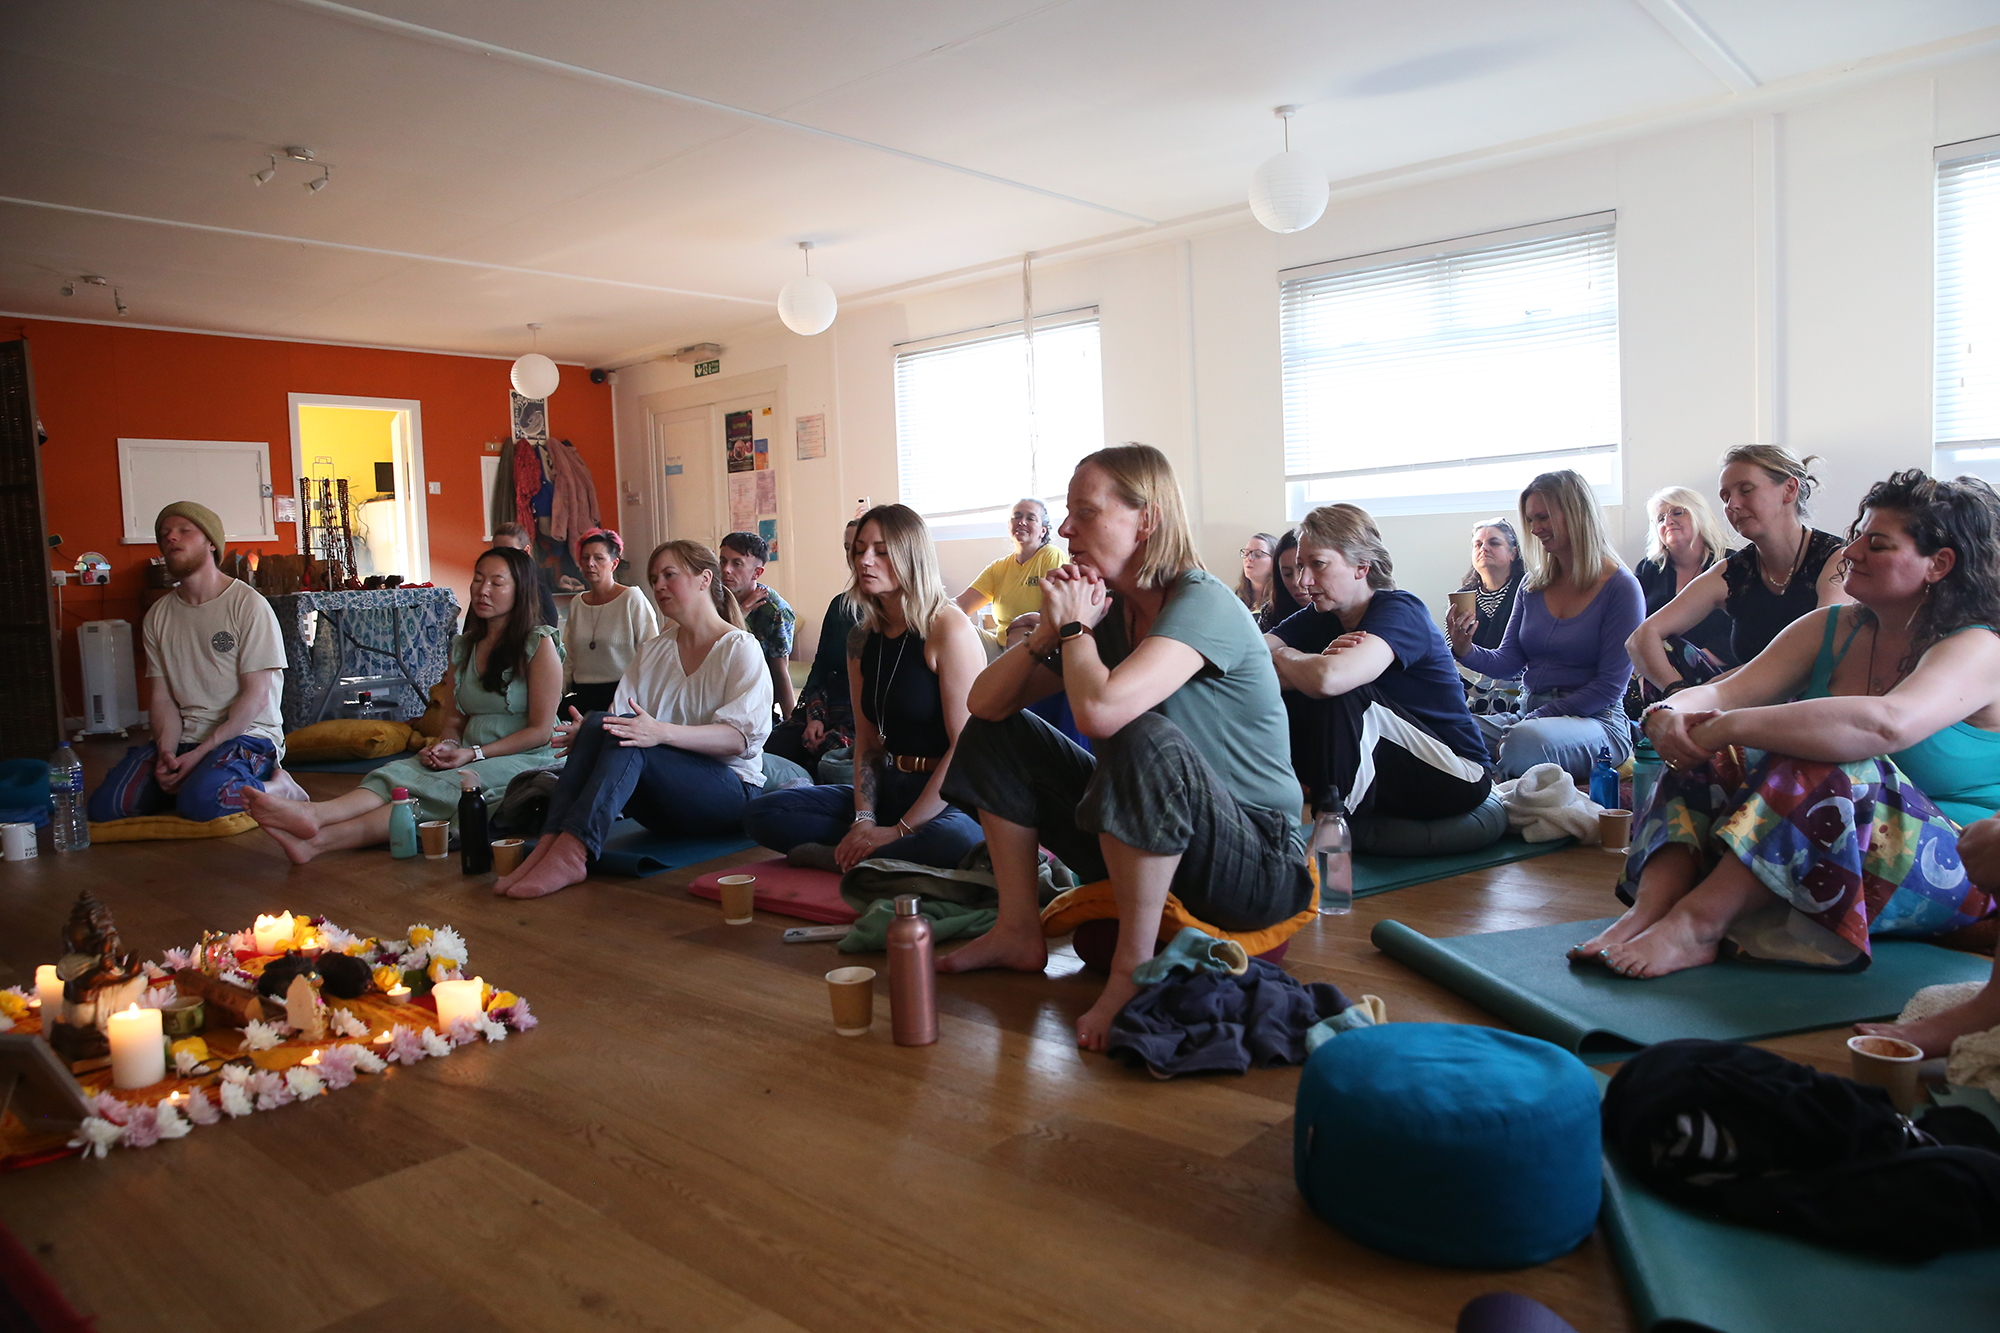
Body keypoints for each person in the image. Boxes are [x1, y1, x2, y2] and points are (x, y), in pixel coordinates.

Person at [937, 444, 1312, 1052]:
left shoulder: (1204, 602)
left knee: (1138, 731)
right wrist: (1046, 635)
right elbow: (983, 704)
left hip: (1259, 861)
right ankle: (1016, 929)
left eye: (1085, 512)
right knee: (995, 731)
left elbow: (1103, 713)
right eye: (1067, 513)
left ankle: (1133, 974)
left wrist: (1075, 629)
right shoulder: (1110, 613)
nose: (1064, 530)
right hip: (1168, 836)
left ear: (1147, 519)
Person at [1572, 471, 2000, 979]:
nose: (1852, 550)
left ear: (1940, 564)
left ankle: (1697, 925)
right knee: (1710, 748)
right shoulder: (1832, 628)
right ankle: (1647, 912)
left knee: (1831, 756)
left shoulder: (1978, 647)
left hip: (1962, 864)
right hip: (1839, 847)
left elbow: (1885, 726)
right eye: (1857, 533)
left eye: (1877, 544)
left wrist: (1726, 727)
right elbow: (1723, 693)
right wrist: (1672, 715)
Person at [246, 546, 562, 861]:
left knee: (442, 789)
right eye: (478, 580)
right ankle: (315, 814)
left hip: (527, 755)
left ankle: (318, 842)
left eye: (497, 582)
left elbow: (540, 730)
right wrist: (448, 745)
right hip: (470, 750)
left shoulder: (539, 643)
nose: (483, 590)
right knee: (396, 773)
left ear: (521, 591)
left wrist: (474, 753)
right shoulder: (464, 647)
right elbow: (454, 719)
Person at [497, 541, 773, 899]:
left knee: (634, 738)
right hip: (667, 802)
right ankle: (551, 843)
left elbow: (739, 739)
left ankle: (572, 852)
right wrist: (589, 733)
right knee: (600, 724)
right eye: (654, 578)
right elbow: (619, 720)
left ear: (705, 578)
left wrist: (660, 733)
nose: (658, 586)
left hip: (730, 795)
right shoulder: (655, 650)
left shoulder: (740, 648)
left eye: (669, 576)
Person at [743, 505, 985, 870]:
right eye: (859, 551)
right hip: (891, 788)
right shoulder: (860, 638)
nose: (865, 561)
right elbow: (868, 745)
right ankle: (877, 861)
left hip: (949, 797)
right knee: (763, 814)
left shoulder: (948, 628)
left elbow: (966, 750)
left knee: (951, 840)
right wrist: (865, 821)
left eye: (882, 552)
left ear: (911, 556)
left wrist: (900, 830)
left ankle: (844, 859)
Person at [1266, 504, 1491, 822]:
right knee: (1293, 693)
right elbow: (1247, 662)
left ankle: (1332, 827)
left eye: (1317, 565)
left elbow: (1330, 680)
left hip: (1457, 771)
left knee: (1343, 694)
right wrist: (1305, 666)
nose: (1302, 581)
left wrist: (1288, 657)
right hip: (1394, 765)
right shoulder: (1320, 615)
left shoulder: (1401, 611)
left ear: (1361, 566)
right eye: (1299, 566)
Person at [89, 502, 297, 823]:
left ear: (211, 542)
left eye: (184, 530)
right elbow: (162, 699)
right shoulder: (158, 615)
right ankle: (195, 782)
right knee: (107, 807)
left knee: (201, 803)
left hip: (247, 735)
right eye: (164, 534)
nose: (171, 538)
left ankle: (278, 789)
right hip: (185, 738)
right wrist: (167, 754)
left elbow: (255, 697)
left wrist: (201, 753)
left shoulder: (248, 605)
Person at [1447, 470, 1644, 782]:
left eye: (1543, 518)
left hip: (1596, 721)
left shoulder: (1622, 587)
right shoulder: (1532, 584)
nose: (1535, 529)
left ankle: (1492, 787)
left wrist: (1536, 718)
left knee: (1524, 743)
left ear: (1576, 515)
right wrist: (1464, 648)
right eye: (1530, 520)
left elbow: (1608, 688)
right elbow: (1508, 660)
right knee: (1441, 727)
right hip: (1529, 715)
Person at [1627, 446, 1847, 695]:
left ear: (1789, 489)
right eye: (1725, 497)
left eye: (1746, 490)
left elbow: (1818, 650)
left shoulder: (1838, 558)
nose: (1732, 505)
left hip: (1818, 706)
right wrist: (1676, 691)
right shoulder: (1733, 572)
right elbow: (1641, 637)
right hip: (1746, 705)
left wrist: (1712, 690)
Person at [1625, 488, 1736, 708]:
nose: (1668, 521)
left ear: (1699, 516)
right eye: (1660, 518)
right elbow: (1633, 627)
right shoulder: (1649, 569)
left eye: (1677, 512)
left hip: (1722, 674)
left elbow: (1748, 631)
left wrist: (1693, 662)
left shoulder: (1733, 565)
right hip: (1657, 677)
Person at [767, 519, 862, 771]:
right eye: (846, 547)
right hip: (826, 707)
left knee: (828, 759)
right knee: (772, 750)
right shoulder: (840, 605)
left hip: (860, 719)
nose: (853, 556)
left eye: (860, 547)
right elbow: (820, 667)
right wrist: (814, 719)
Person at [558, 527, 659, 718]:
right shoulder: (577, 603)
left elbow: (650, 652)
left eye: (598, 558)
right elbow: (569, 658)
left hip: (622, 695)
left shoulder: (631, 597)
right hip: (584, 695)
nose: (590, 564)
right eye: (585, 557)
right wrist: (557, 694)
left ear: (614, 564)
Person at [954, 498, 1068, 638]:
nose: (1022, 522)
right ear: (1009, 527)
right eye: (1017, 517)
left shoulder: (1050, 555)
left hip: (1035, 643)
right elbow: (961, 604)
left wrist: (1021, 627)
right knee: (956, 628)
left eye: (1030, 518)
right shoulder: (998, 567)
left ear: (1043, 531)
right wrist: (933, 605)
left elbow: (1054, 611)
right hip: (1000, 645)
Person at [719, 531, 796, 720]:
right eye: (722, 561)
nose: (726, 569)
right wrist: (742, 611)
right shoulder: (713, 598)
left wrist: (791, 719)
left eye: (737, 563)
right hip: (713, 694)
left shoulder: (775, 610)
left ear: (757, 572)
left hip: (754, 703)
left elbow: (779, 670)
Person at [1455, 518, 1528, 717]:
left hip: (1516, 679)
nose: (1484, 548)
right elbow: (1454, 653)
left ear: (1513, 553)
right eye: (1478, 544)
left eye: (1493, 543)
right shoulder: (1462, 596)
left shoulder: (1528, 590)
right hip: (1472, 680)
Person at [493, 521, 560, 628]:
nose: (502, 558)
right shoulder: (486, 591)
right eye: (497, 552)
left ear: (526, 551)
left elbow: (550, 634)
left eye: (510, 552)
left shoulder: (540, 592)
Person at [1255, 528, 1306, 633]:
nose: (1296, 582)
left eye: (1302, 570)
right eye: (1287, 574)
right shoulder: (1271, 613)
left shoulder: (1337, 612)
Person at [1234, 531, 1277, 617]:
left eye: (1258, 555)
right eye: (1246, 553)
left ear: (1274, 560)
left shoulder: (1281, 598)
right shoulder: (1235, 596)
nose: (1249, 558)